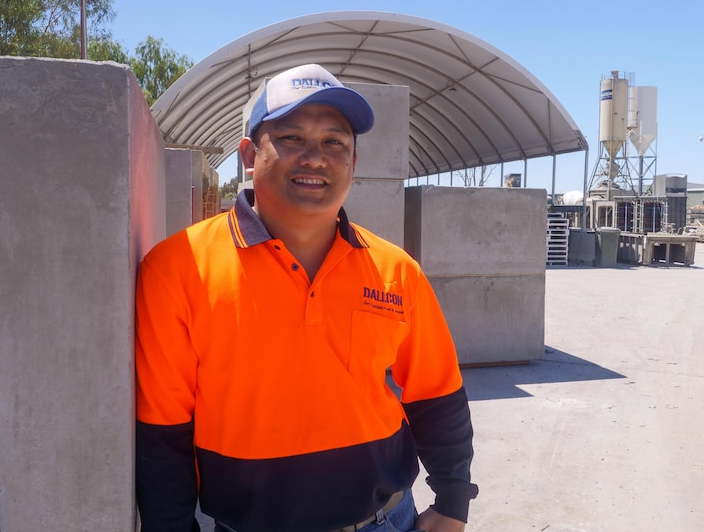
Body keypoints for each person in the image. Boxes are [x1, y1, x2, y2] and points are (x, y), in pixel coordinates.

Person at [135, 63, 478, 532]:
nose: (315, 157)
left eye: (335, 142)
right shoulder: (178, 269)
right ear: (249, 156)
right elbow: (162, 436)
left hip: (386, 522)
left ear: (353, 163)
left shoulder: (397, 271)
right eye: (292, 138)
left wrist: (453, 500)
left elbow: (438, 396)